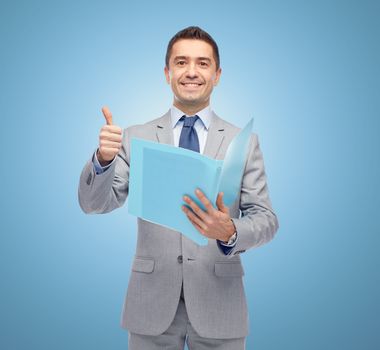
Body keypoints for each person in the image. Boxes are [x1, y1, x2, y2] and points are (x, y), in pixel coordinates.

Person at [78, 26, 279, 350]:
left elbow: (266, 219)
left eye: (202, 63)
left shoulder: (242, 141)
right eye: (181, 62)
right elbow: (93, 205)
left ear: (217, 74)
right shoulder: (134, 136)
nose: (191, 72)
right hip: (150, 304)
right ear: (167, 72)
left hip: (220, 304)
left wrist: (230, 230)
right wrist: (103, 159)